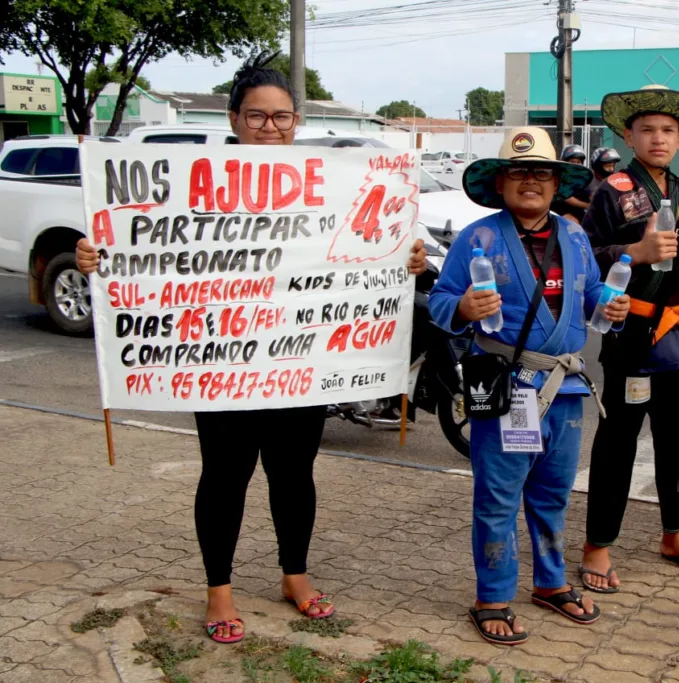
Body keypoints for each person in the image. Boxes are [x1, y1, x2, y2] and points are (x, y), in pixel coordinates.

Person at [75, 51, 429, 644]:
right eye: (259, 117)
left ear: (297, 123)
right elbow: (137, 244)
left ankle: (295, 574)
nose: (272, 128)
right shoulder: (194, 186)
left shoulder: (331, 186)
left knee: (295, 474)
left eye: (283, 118)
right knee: (225, 475)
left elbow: (374, 246)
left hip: (303, 364)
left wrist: (405, 258)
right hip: (225, 366)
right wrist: (95, 256)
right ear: (235, 120)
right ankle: (219, 589)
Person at [429, 127, 629, 645]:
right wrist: (463, 309)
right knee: (497, 498)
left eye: (541, 171)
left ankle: (550, 583)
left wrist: (612, 303)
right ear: (500, 183)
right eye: (518, 172)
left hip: (564, 390)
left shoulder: (576, 235)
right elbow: (442, 302)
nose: (530, 181)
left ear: (556, 182)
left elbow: (591, 297)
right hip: (506, 387)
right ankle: (492, 595)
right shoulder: (479, 238)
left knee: (553, 494)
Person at [577, 85, 679, 593]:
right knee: (618, 443)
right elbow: (585, 258)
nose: (657, 138)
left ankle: (674, 534)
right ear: (629, 135)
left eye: (668, 131)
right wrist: (636, 253)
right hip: (630, 336)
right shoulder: (610, 190)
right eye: (646, 129)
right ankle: (596, 545)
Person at [552, 144, 593, 224]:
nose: (576, 164)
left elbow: (591, 194)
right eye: (573, 162)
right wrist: (587, 205)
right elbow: (568, 199)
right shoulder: (559, 176)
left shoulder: (583, 178)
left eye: (578, 162)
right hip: (560, 211)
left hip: (579, 212)